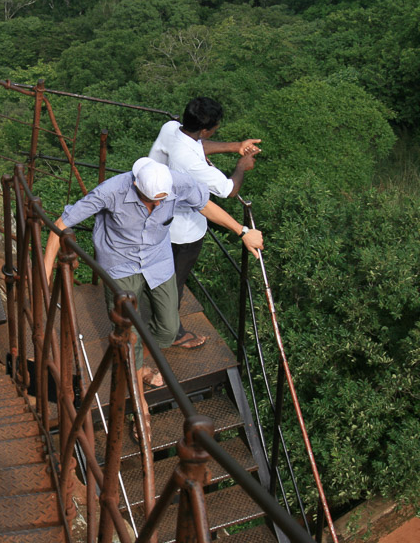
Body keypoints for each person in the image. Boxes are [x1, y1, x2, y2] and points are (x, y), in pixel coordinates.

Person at [43, 157, 263, 439]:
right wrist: (44, 274)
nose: (156, 206)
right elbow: (61, 223)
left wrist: (242, 232)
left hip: (158, 261)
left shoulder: (177, 183)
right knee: (129, 333)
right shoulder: (111, 190)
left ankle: (136, 363)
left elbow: (204, 205)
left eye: (161, 201)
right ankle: (140, 406)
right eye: (150, 201)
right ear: (135, 185)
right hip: (119, 263)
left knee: (169, 328)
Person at [149, 97, 261, 348]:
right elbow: (228, 190)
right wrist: (242, 165)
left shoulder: (171, 129)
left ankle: (159, 318)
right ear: (205, 129)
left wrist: (237, 147)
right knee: (174, 282)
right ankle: (171, 333)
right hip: (181, 232)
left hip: (154, 216)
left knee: (161, 273)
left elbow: (197, 144)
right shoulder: (191, 164)